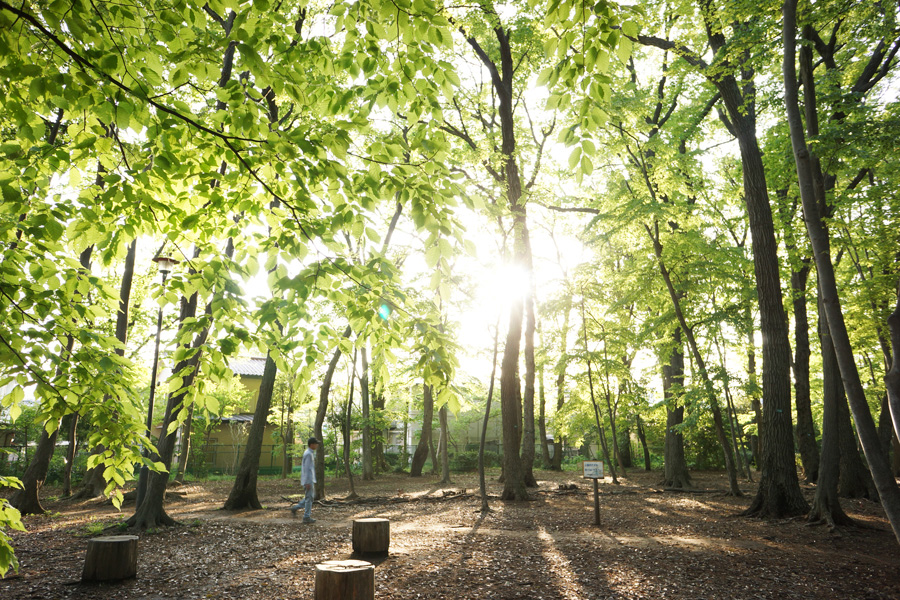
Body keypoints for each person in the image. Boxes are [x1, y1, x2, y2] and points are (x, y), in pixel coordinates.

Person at [290, 437, 319, 523]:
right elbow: (306, 469)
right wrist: (307, 482)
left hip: (309, 480)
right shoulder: (308, 454)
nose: (317, 445)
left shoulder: (309, 453)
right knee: (309, 498)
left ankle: (297, 508)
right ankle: (306, 517)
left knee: (310, 497)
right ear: (311, 444)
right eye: (316, 443)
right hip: (308, 480)